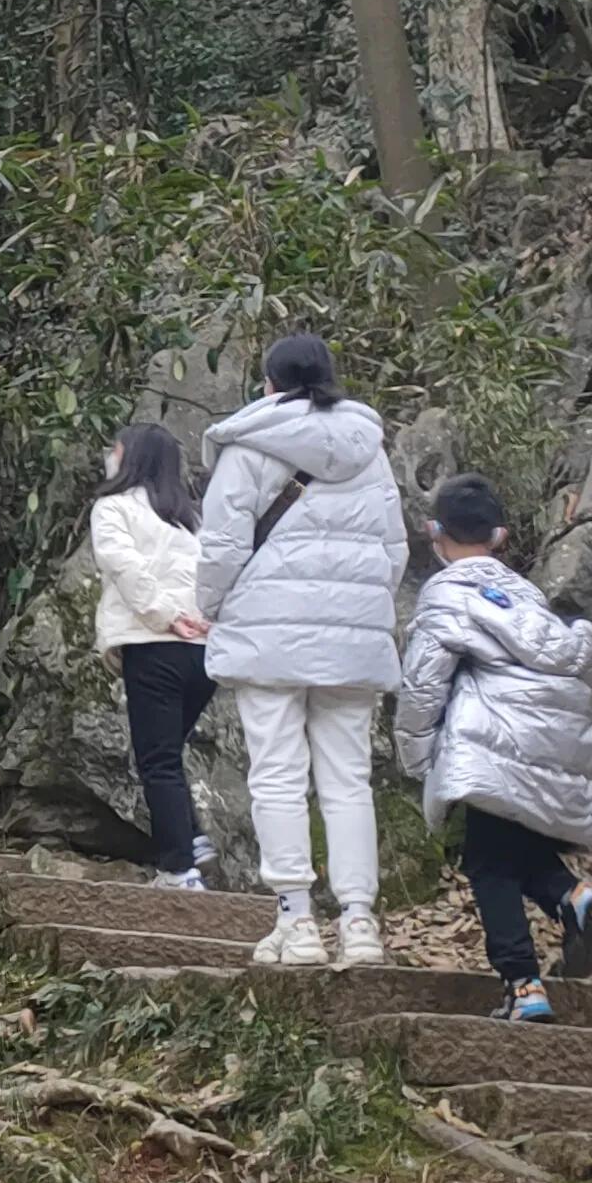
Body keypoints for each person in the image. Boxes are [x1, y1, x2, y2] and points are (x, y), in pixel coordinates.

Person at [197, 329, 411, 969]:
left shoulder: (251, 446)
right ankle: (360, 921)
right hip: (352, 641)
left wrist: (211, 608)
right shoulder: (370, 451)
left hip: (268, 634)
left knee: (278, 775)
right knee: (348, 779)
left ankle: (297, 922)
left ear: (270, 384)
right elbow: (394, 549)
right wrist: (358, 612)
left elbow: (223, 546)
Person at [397, 473, 592, 1022]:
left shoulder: (447, 595)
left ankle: (523, 985)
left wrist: (417, 756)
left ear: (434, 533)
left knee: (488, 865)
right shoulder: (528, 599)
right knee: (511, 849)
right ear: (499, 536)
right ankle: (573, 897)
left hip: (489, 744)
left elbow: (425, 682)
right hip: (544, 746)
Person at [91, 420, 216, 890]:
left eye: (115, 448)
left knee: (157, 759)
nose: (110, 454)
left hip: (154, 645)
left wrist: (164, 615)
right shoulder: (190, 519)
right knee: (168, 749)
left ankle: (178, 868)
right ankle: (194, 839)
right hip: (202, 653)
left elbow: (125, 565)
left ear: (130, 456)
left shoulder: (113, 508)